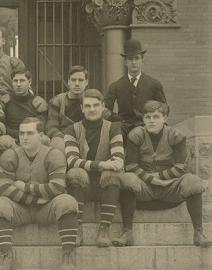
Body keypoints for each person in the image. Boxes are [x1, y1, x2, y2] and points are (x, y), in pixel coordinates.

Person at [113, 100, 212, 248]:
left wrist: (159, 178)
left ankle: (198, 232)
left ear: (165, 118)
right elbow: (131, 166)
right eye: (147, 117)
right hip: (144, 187)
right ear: (143, 119)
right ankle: (128, 232)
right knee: (127, 179)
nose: (151, 121)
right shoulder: (136, 135)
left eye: (156, 116)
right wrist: (152, 180)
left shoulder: (176, 135)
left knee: (193, 181)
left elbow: (181, 167)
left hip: (170, 186)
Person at [0, 117, 78, 270]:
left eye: (30, 133)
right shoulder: (10, 155)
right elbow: (5, 188)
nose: (24, 137)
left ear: (41, 135)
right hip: (21, 209)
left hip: (47, 209)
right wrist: (36, 198)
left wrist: (25, 187)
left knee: (67, 201)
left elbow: (57, 188)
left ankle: (68, 256)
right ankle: (7, 256)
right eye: (22, 133)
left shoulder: (54, 154)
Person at [64, 89, 125, 248]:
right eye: (88, 106)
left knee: (113, 172)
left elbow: (118, 159)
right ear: (82, 108)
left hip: (106, 186)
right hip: (81, 186)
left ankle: (104, 229)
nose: (92, 109)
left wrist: (107, 166)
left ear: (103, 106)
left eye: (96, 105)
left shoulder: (113, 128)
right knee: (75, 172)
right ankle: (77, 229)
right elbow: (72, 160)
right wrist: (102, 164)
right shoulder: (71, 130)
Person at [106, 39, 167, 138]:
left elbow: (165, 108)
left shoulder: (154, 84)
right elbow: (106, 109)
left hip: (147, 125)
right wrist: (118, 119)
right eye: (130, 59)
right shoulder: (115, 86)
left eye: (137, 58)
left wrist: (152, 118)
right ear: (125, 62)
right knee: (114, 128)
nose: (133, 62)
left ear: (142, 61)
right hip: (124, 126)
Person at [0, 68, 49, 151]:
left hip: (31, 137)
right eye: (15, 81)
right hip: (11, 138)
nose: (18, 84)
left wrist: (26, 135)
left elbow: (41, 127)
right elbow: (1, 124)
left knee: (43, 139)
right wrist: (17, 134)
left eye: (22, 80)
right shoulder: (5, 100)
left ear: (29, 82)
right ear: (12, 83)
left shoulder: (38, 103)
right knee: (3, 141)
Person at [46, 66, 89, 153]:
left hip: (86, 137)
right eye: (73, 80)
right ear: (69, 82)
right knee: (57, 143)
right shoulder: (57, 101)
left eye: (80, 80)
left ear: (86, 82)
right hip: (63, 138)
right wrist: (67, 138)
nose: (77, 83)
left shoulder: (92, 100)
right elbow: (51, 128)